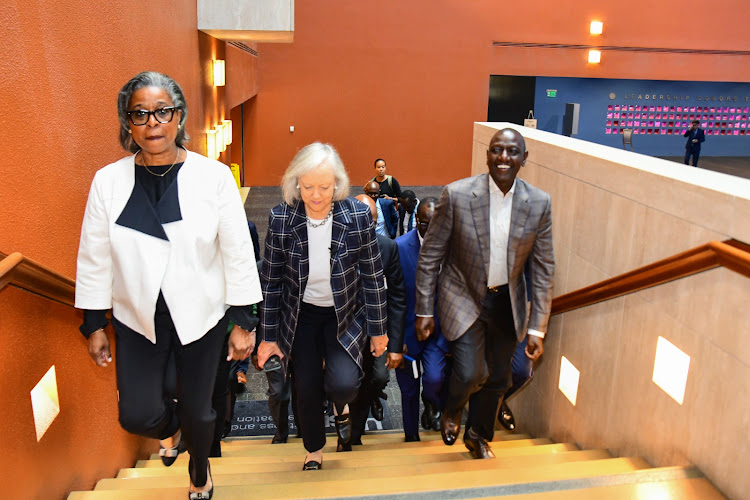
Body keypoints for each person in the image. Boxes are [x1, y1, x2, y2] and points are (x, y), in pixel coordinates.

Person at [75, 71, 262, 499]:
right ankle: (170, 431)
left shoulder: (213, 177)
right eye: (140, 114)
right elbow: (94, 254)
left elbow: (236, 251)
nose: (152, 122)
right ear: (127, 123)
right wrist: (93, 323)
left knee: (200, 410)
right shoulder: (108, 181)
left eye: (163, 111)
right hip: (136, 316)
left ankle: (199, 471)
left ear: (179, 117)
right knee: (137, 415)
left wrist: (242, 321)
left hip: (201, 314)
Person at [416, 127, 554, 460]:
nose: (503, 157)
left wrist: (537, 327)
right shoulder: (458, 194)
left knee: (500, 377)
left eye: (511, 151)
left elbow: (544, 267)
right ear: (487, 154)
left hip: (507, 301)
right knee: (470, 372)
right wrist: (424, 309)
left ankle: (477, 435)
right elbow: (431, 254)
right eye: (496, 150)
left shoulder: (538, 203)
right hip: (462, 294)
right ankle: (452, 409)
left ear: (524, 158)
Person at [256, 142, 388, 471]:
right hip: (300, 316)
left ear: (338, 184)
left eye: (325, 187)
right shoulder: (282, 219)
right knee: (306, 387)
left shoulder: (357, 217)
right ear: (295, 183)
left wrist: (378, 331)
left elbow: (373, 276)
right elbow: (270, 283)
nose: (316, 195)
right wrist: (268, 337)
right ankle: (313, 449)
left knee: (343, 384)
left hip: (343, 313)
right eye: (308, 186)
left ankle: (341, 408)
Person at [346, 194, 406, 448]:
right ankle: (351, 435)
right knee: (346, 382)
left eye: (370, 222)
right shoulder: (335, 245)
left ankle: (364, 411)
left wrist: (395, 345)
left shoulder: (387, 248)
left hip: (376, 330)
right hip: (344, 330)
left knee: (378, 378)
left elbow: (397, 297)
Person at [394, 197, 450, 442]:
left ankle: (432, 404)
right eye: (426, 223)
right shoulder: (399, 247)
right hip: (407, 335)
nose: (432, 229)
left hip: (438, 334)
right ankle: (411, 437)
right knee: (408, 391)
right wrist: (396, 340)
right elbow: (392, 298)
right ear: (417, 221)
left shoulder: (452, 247)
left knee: (435, 380)